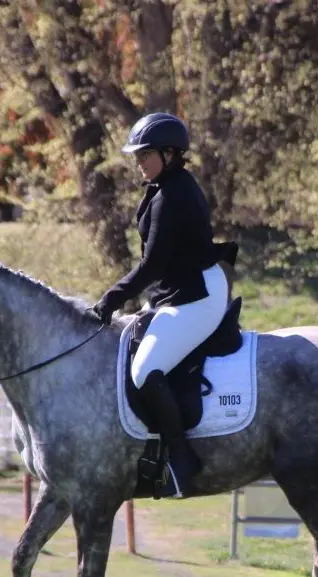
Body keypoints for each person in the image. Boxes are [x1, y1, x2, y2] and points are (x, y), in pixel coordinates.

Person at [88, 112, 233, 499]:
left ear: (170, 154)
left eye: (145, 154)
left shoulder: (173, 194)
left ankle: (182, 459)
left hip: (197, 297)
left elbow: (153, 263)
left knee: (146, 370)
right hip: (178, 292)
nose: (138, 162)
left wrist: (114, 296)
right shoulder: (163, 185)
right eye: (137, 155)